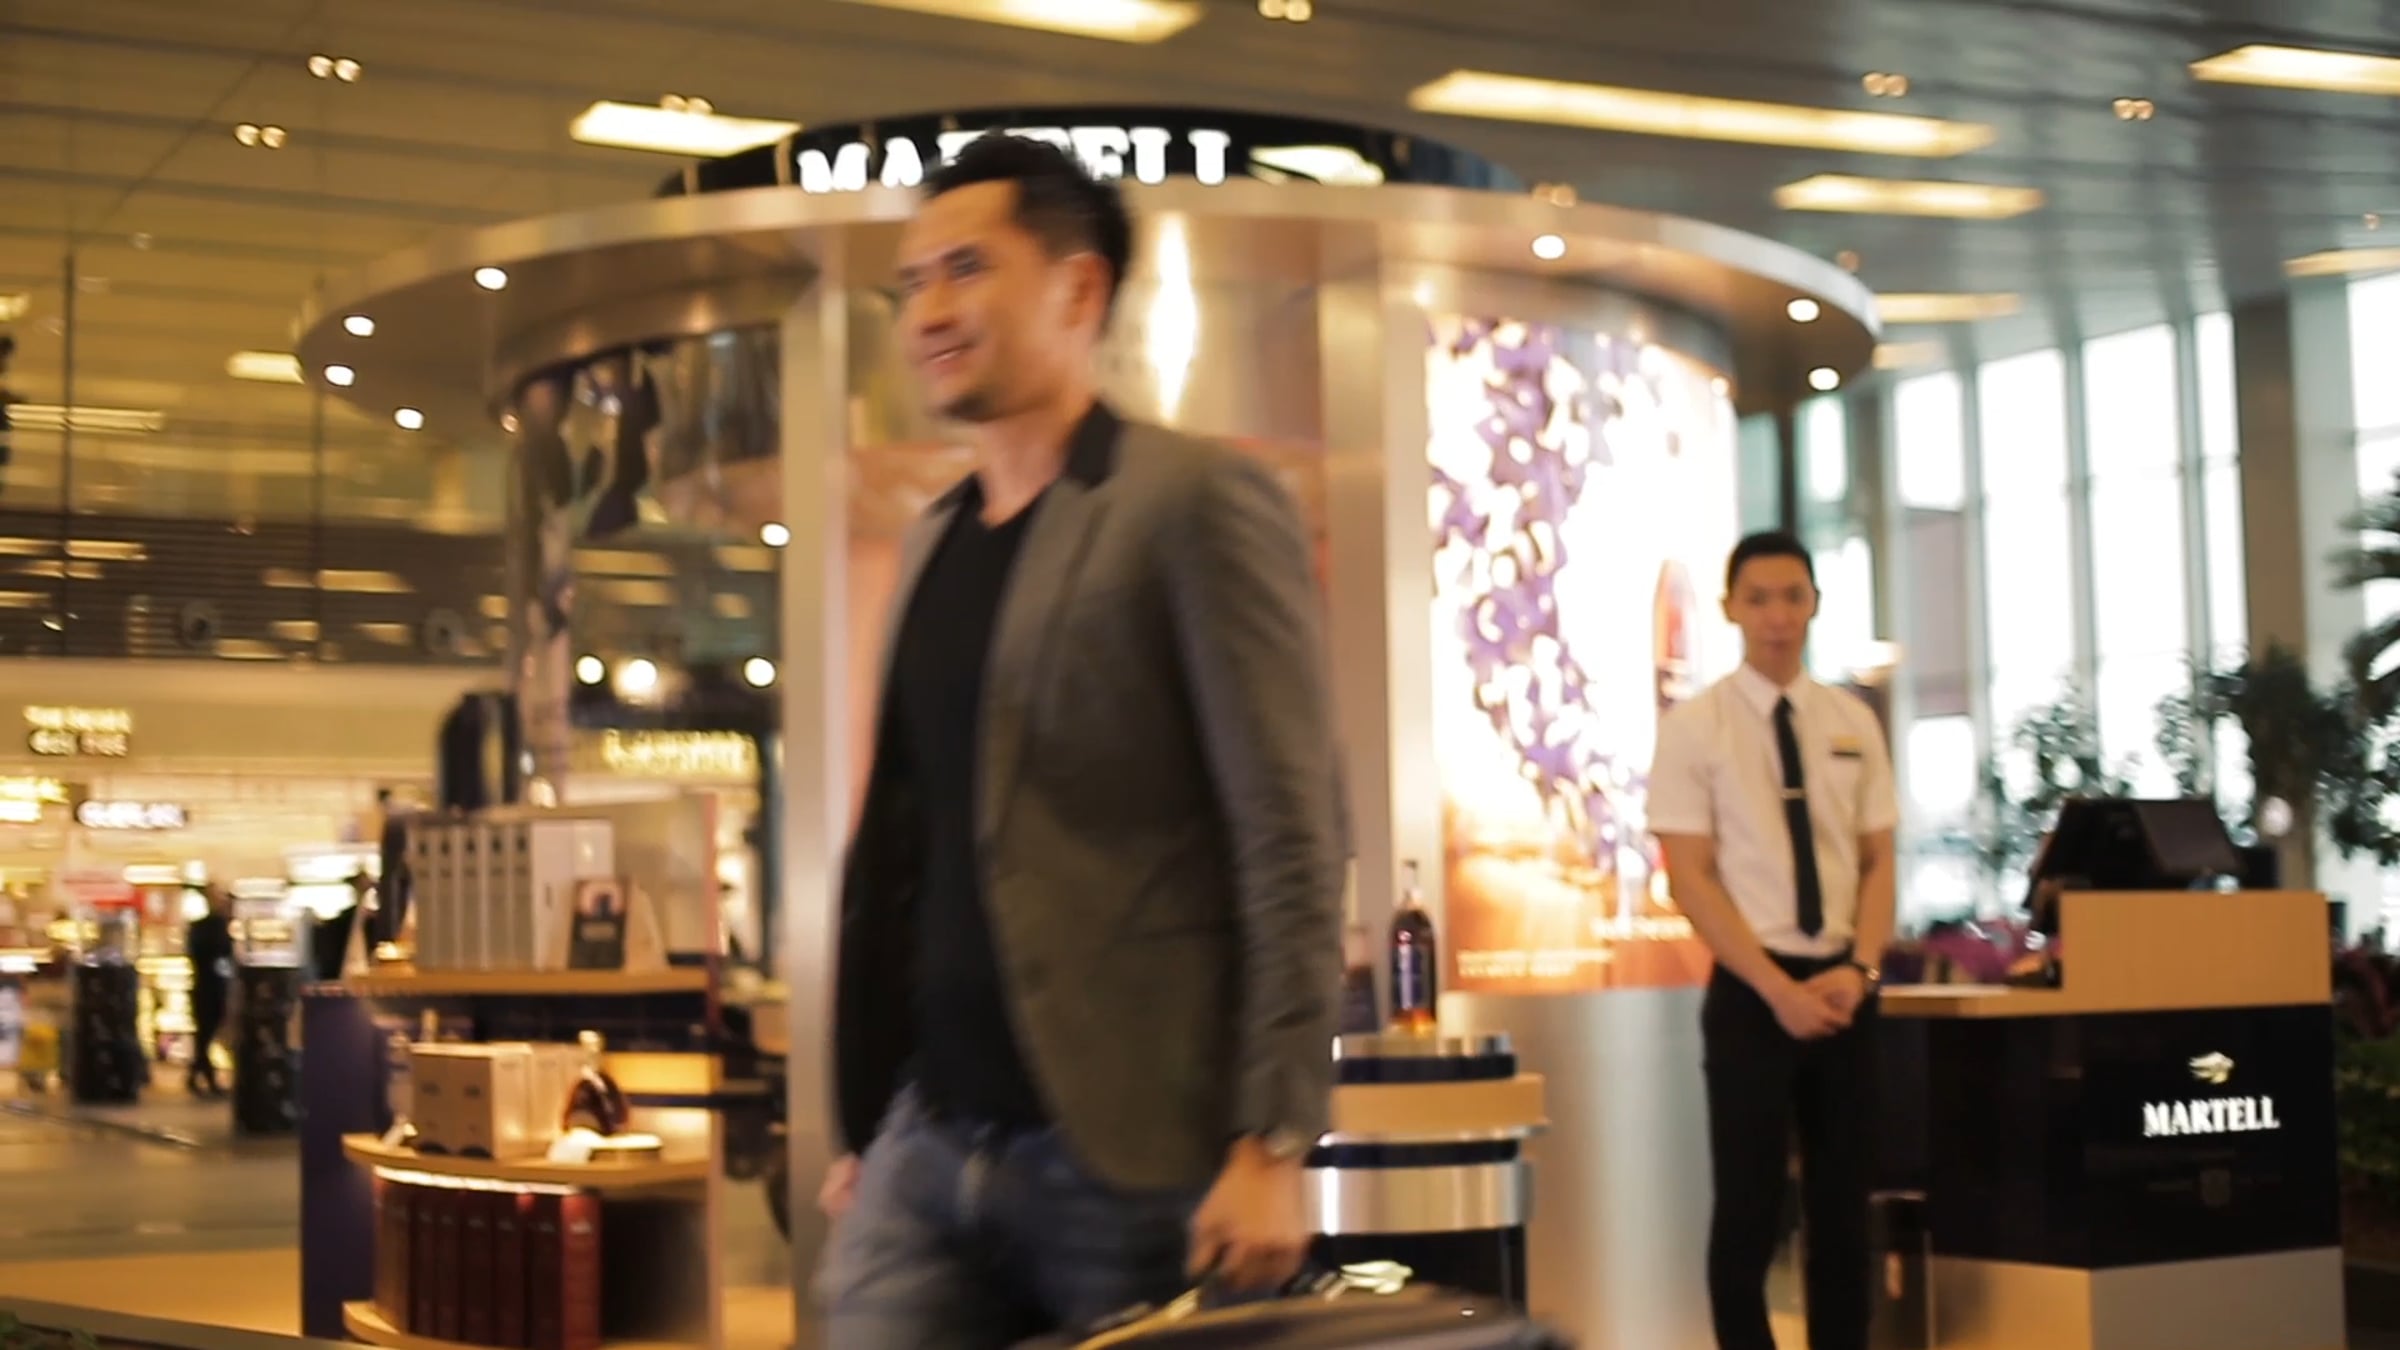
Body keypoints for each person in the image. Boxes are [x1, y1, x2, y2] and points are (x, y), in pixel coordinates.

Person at [815, 134, 1349, 1349]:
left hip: (1131, 1154)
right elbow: (905, 843)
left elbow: (1291, 833)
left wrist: (1274, 1139)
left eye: (966, 270)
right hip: (929, 1142)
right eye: (912, 284)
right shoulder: (933, 539)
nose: (929, 313)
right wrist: (865, 1116)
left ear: (1078, 288)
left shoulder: (1192, 500)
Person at [1646, 531, 1898, 1350]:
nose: (1778, 615)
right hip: (1752, 993)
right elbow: (1691, 878)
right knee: (1748, 1218)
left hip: (1844, 988)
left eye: (1793, 596)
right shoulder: (1696, 727)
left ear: (1814, 603)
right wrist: (1777, 990)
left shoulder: (1852, 720)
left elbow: (1879, 860)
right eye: (1758, 599)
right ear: (1731, 609)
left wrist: (1860, 969)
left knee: (1844, 1219)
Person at [183, 887, 233, 1098]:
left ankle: (198, 1074)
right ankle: (202, 1075)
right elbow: (221, 956)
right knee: (207, 1033)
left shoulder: (201, 928)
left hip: (204, 986)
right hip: (211, 987)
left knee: (205, 1034)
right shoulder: (215, 928)